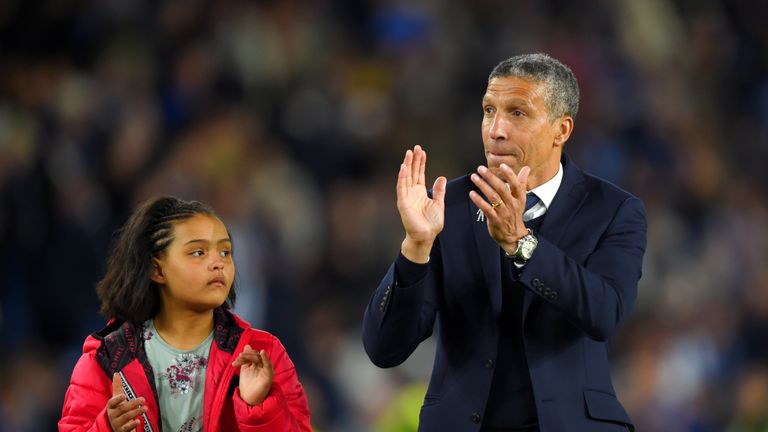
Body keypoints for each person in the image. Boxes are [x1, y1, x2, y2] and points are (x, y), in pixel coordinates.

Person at [363, 53, 647, 431]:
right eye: (488, 110)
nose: (495, 129)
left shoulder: (612, 210)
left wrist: (521, 244)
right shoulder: (450, 207)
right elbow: (384, 349)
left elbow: (605, 312)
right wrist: (415, 247)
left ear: (561, 130)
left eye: (517, 113)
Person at [59, 196, 311, 432]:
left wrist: (260, 409)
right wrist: (107, 427)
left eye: (224, 252)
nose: (218, 263)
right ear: (156, 269)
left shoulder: (262, 354)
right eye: (198, 252)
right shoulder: (104, 360)